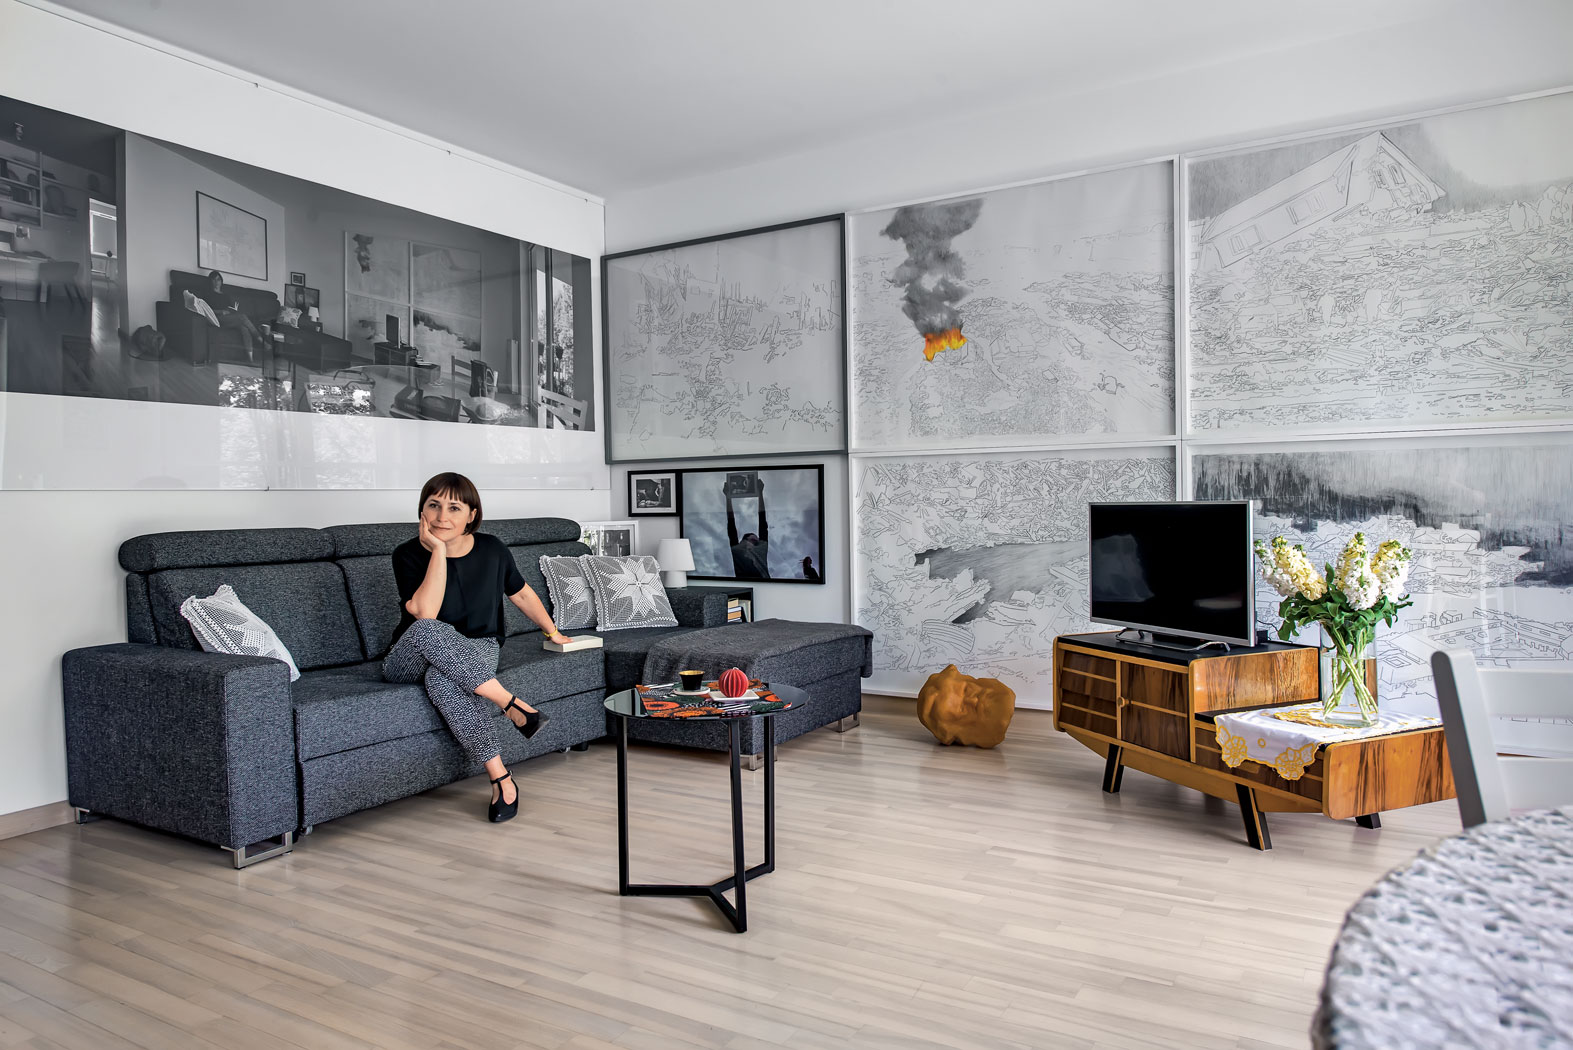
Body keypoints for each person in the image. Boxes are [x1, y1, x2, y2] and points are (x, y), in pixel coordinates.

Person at [383, 472, 573, 823]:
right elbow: (425, 614)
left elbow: (521, 593)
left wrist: (552, 631)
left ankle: (501, 779)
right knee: (427, 629)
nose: (442, 517)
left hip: (478, 645)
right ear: (422, 510)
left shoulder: (492, 549)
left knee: (443, 680)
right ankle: (510, 703)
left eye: (454, 508)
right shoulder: (406, 554)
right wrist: (438, 552)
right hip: (410, 653)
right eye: (434, 506)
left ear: (472, 514)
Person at [198, 270, 268, 360]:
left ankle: (250, 359)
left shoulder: (225, 296)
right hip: (217, 319)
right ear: (210, 281)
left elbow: (231, 309)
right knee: (243, 317)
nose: (216, 282)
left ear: (221, 281)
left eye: (218, 279)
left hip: (228, 319)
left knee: (244, 328)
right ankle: (262, 341)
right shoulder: (208, 294)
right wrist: (221, 312)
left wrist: (232, 311)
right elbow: (205, 310)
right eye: (214, 280)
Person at [725, 479, 771, 579]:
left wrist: (760, 493)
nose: (758, 539)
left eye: (756, 538)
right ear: (746, 539)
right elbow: (731, 525)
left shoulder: (761, 547)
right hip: (746, 584)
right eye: (755, 537)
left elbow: (762, 521)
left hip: (763, 582)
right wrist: (728, 496)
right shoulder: (737, 548)